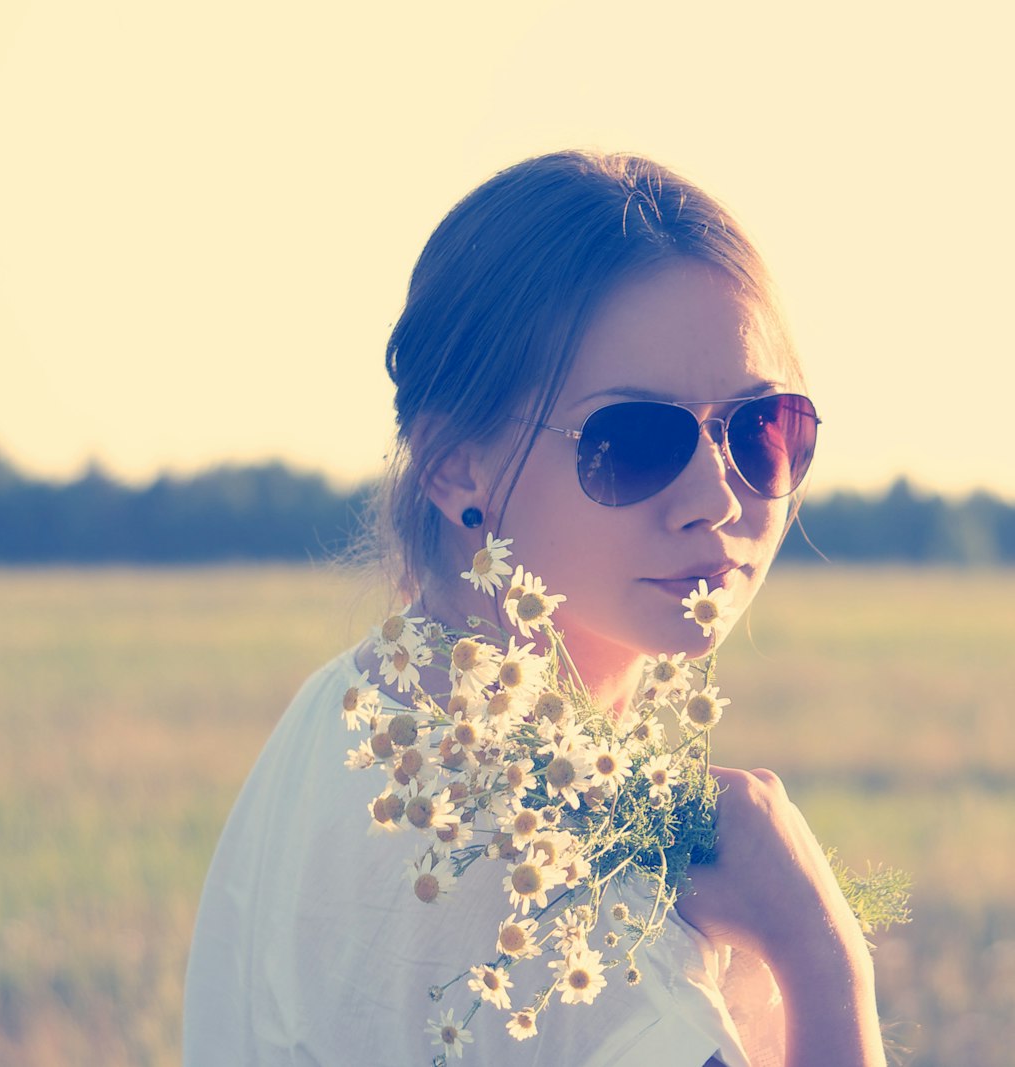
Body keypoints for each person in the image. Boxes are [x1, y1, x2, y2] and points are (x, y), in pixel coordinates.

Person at [182, 150, 886, 1066]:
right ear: (454, 469)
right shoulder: (565, 880)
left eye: (761, 426)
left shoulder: (350, 711)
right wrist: (823, 954)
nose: (717, 493)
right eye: (633, 438)